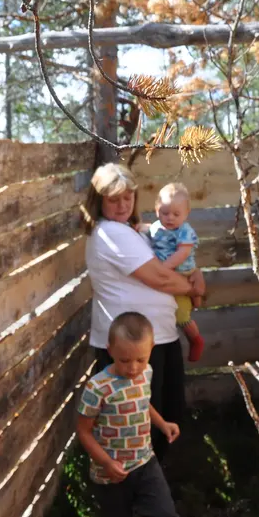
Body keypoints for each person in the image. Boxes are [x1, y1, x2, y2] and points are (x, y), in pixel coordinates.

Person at [81, 163, 206, 464]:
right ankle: (139, 496)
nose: (123, 205)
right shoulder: (111, 232)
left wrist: (195, 272)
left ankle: (157, 491)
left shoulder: (129, 231)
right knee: (137, 430)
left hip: (154, 340)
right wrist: (193, 287)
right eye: (114, 199)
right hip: (128, 346)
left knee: (163, 419)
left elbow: (167, 250)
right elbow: (159, 278)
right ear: (98, 201)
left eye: (128, 197)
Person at [76, 312, 180, 517]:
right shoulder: (97, 388)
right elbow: (83, 432)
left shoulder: (146, 373)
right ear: (110, 351)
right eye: (124, 360)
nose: (133, 368)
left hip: (145, 462)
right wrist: (107, 463)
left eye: (140, 359)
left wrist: (163, 424)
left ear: (151, 351)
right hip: (110, 475)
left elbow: (143, 403)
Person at [141, 182, 205, 362]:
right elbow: (148, 229)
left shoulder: (184, 231)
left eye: (176, 214)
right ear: (156, 210)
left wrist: (163, 268)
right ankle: (196, 299)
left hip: (182, 271)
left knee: (182, 315)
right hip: (169, 272)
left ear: (186, 214)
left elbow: (182, 253)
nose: (170, 218)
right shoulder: (157, 227)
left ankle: (196, 339)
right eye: (164, 213)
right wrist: (138, 227)